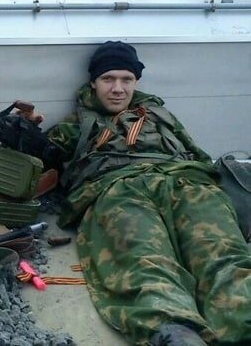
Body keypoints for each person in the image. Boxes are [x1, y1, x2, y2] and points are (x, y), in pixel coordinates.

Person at [43, 41, 251, 345]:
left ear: (136, 82)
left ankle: (244, 320)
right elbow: (36, 160)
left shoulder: (160, 115)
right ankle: (174, 331)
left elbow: (197, 154)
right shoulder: (75, 125)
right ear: (93, 82)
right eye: (108, 79)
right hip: (118, 189)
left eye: (126, 79)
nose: (117, 89)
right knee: (143, 258)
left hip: (185, 183)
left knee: (221, 252)